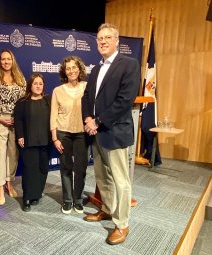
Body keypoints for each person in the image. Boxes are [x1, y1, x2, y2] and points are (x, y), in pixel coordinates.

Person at [82, 23, 140, 245]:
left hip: (115, 132)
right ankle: (106, 209)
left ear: (117, 41)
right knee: (102, 177)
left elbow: (125, 100)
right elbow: (87, 97)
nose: (103, 41)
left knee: (120, 181)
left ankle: (122, 224)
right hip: (96, 132)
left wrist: (97, 121)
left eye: (107, 38)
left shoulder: (129, 64)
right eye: (100, 39)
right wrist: (88, 119)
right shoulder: (96, 69)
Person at [0, 49, 26, 205]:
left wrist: (18, 118)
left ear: (12, 60)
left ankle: (9, 182)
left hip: (16, 122)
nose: (6, 62)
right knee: (0, 154)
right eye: (3, 59)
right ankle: (0, 187)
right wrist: (1, 117)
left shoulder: (20, 78)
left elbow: (24, 100)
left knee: (13, 154)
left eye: (9, 59)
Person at [50, 56, 89, 214]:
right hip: (63, 133)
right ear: (64, 72)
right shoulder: (57, 91)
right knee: (66, 168)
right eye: (68, 68)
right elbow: (53, 115)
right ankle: (67, 200)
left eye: (74, 67)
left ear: (79, 69)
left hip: (82, 134)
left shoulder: (87, 87)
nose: (71, 70)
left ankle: (78, 200)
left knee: (81, 169)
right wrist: (54, 138)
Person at [14, 73, 51, 212]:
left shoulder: (49, 100)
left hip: (45, 141)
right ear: (30, 85)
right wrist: (20, 136)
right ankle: (27, 198)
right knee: (29, 170)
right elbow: (18, 120)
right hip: (28, 142)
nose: (38, 86)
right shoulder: (23, 102)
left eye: (40, 83)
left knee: (42, 169)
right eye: (35, 83)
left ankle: (37, 195)